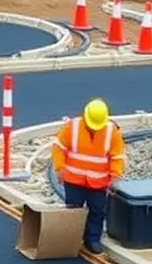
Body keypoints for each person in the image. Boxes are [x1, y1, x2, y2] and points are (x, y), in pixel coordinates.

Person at [50, 98, 126, 253]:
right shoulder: (73, 126)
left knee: (97, 211)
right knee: (73, 210)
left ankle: (92, 239)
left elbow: (117, 156)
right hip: (73, 180)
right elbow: (59, 148)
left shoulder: (112, 132)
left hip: (98, 182)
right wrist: (59, 168)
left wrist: (115, 176)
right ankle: (71, 239)